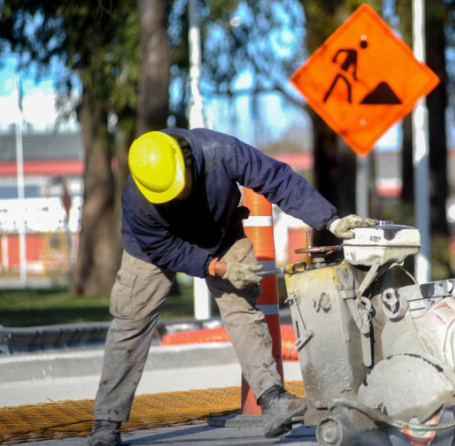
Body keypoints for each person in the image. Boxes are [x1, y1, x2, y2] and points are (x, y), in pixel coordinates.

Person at [87, 128, 377, 446]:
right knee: (131, 323)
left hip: (220, 232)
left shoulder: (222, 151)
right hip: (155, 251)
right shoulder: (138, 197)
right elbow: (164, 248)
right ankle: (107, 423)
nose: (177, 198)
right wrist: (219, 268)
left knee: (242, 308)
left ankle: (272, 399)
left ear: (188, 162)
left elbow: (277, 180)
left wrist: (330, 221)